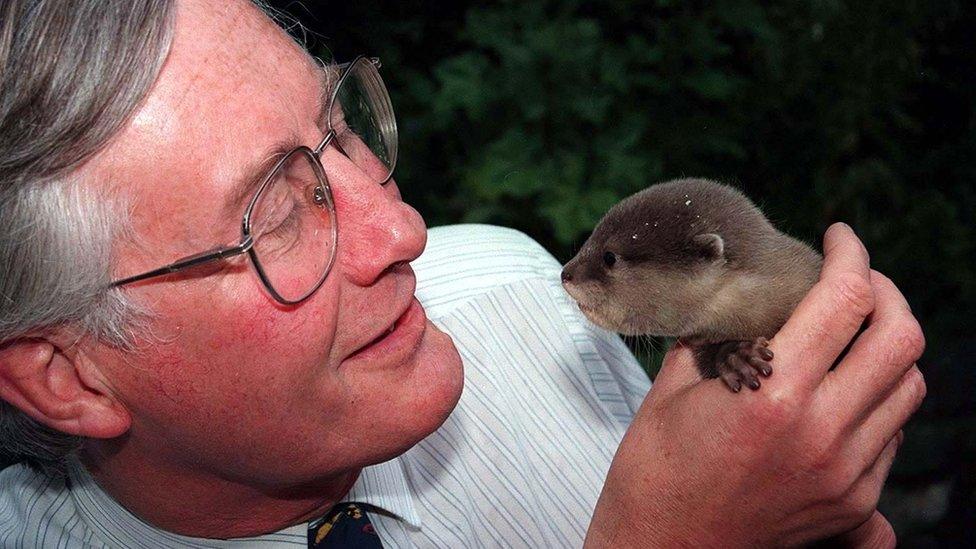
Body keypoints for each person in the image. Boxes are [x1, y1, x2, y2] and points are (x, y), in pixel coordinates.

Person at [0, 1, 925, 547]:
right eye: (274, 213)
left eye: (342, 129)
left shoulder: (517, 291)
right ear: (67, 373)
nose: (404, 228)